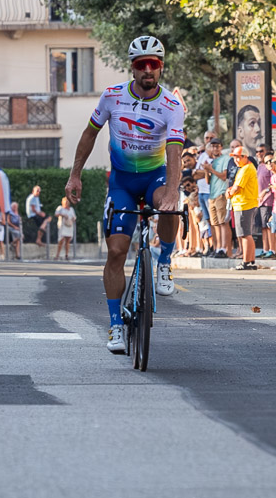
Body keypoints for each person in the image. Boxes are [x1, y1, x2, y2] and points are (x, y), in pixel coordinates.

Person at [64, 35, 185, 353]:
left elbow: (175, 150)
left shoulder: (171, 105)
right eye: (141, 65)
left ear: (160, 68)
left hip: (154, 178)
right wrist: (75, 175)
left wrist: (172, 191)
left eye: (154, 64)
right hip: (121, 182)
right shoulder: (112, 96)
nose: (148, 70)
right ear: (132, 68)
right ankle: (116, 325)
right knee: (116, 252)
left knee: (171, 208)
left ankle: (164, 262)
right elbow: (90, 133)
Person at [225, 146, 259, 270]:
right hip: (243, 203)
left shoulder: (246, 169)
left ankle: (246, 261)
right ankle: (249, 261)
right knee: (245, 234)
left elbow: (237, 187)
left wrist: (229, 192)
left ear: (245, 157)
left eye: (238, 157)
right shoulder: (246, 168)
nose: (236, 160)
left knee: (245, 234)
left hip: (244, 204)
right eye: (234, 157)